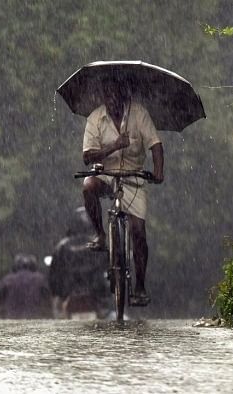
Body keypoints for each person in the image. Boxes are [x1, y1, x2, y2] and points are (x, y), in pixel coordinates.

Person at [81, 79, 164, 306]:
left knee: (138, 231)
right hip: (106, 173)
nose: (112, 102)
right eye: (108, 97)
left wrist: (158, 171)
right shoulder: (95, 118)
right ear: (103, 99)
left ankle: (140, 286)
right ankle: (100, 234)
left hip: (133, 177)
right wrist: (114, 146)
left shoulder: (139, 114)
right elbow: (88, 157)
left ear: (125, 97)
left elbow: (155, 145)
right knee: (88, 186)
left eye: (116, 97)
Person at [48, 207, 110, 318]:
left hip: (69, 296)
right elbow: (110, 269)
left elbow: (54, 277)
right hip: (96, 296)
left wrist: (58, 293)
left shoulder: (62, 246)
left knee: (57, 319)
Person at [0, 254, 52, 319]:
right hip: (34, 316)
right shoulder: (40, 279)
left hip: (12, 316)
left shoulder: (8, 279)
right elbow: (48, 297)